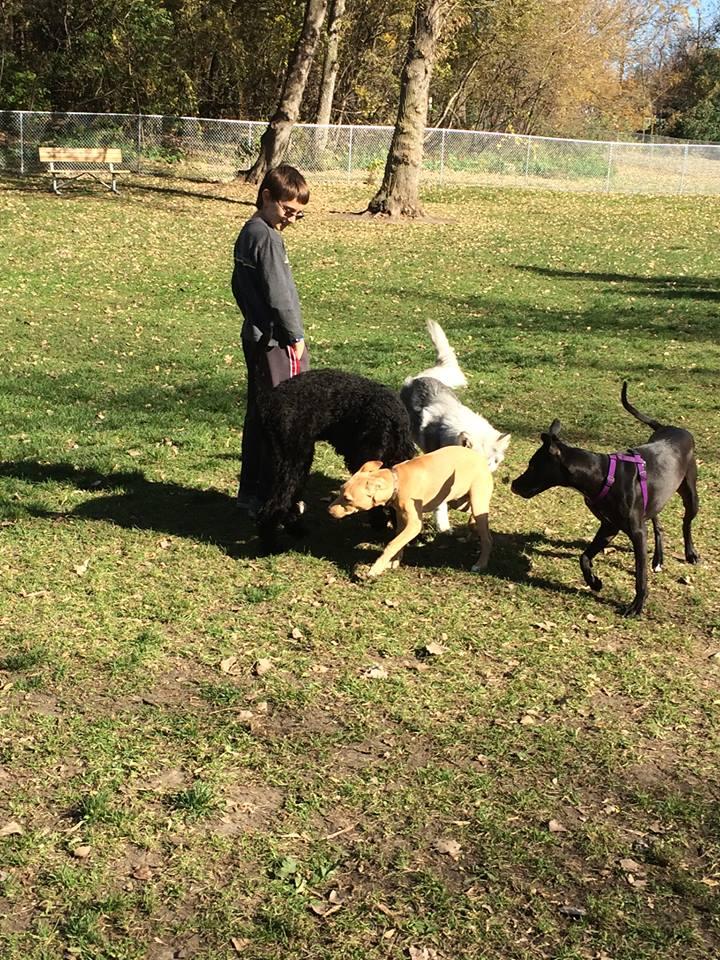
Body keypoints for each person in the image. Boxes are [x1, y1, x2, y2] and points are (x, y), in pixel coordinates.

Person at [231, 165, 310, 513]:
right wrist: (295, 336)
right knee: (285, 418)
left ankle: (250, 493)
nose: (291, 219)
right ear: (267, 197)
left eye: (298, 215)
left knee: (260, 414)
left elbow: (237, 286)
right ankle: (276, 496)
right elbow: (280, 296)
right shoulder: (268, 238)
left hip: (256, 336)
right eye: (287, 210)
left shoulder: (248, 231)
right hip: (277, 343)